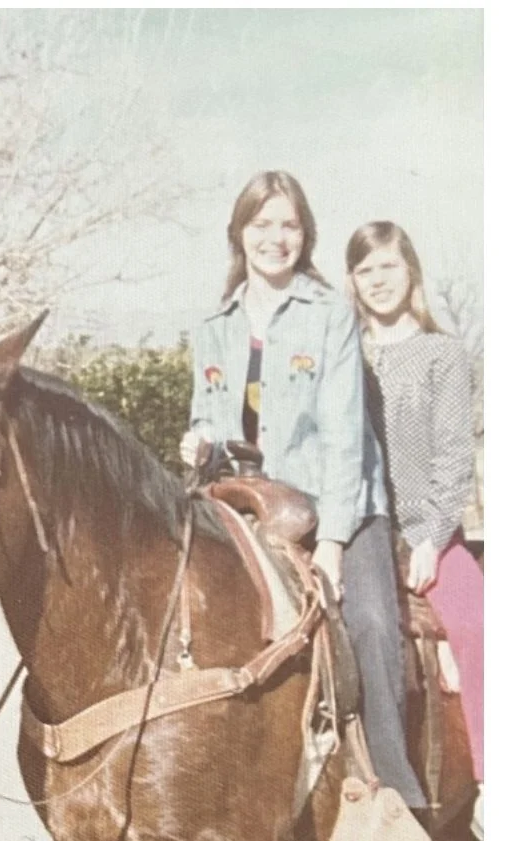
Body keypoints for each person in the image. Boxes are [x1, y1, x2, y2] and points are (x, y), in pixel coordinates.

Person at [180, 171, 427, 809]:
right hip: (246, 506)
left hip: (337, 506)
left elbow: (346, 436)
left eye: (289, 225)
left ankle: (396, 796)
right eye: (261, 224)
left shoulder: (331, 314)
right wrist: (197, 441)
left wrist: (335, 543)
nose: (275, 238)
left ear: (305, 235)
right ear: (239, 233)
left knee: (370, 627)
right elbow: (207, 414)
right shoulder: (212, 325)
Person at [346, 220, 484, 837]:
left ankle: (491, 782)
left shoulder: (441, 354)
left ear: (411, 272)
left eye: (388, 267)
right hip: (360, 525)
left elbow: (455, 456)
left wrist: (432, 536)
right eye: (365, 270)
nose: (377, 281)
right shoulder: (346, 354)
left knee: (479, 626)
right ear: (352, 281)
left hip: (429, 528)